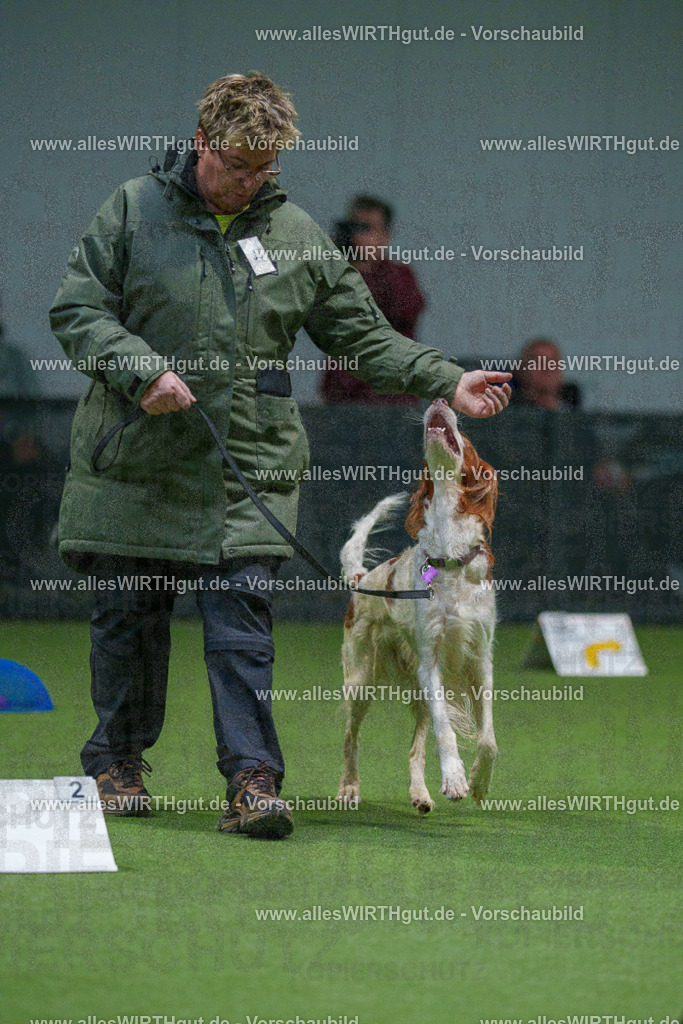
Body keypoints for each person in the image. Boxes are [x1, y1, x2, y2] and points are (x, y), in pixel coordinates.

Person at [49, 72, 511, 841]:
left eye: (266, 169)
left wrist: (446, 378)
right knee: (128, 621)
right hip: (133, 463)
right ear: (202, 142)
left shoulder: (294, 233)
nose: (249, 181)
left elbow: (360, 338)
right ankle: (117, 765)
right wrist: (141, 370)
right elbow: (77, 308)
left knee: (242, 626)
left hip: (246, 467)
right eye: (237, 164)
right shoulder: (133, 209)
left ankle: (253, 781)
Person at [320, 196, 425, 406]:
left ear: (385, 235)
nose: (357, 235)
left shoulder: (400, 275)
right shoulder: (337, 275)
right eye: (354, 227)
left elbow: (403, 312)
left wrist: (366, 267)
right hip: (344, 397)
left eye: (366, 228)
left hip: (391, 398)